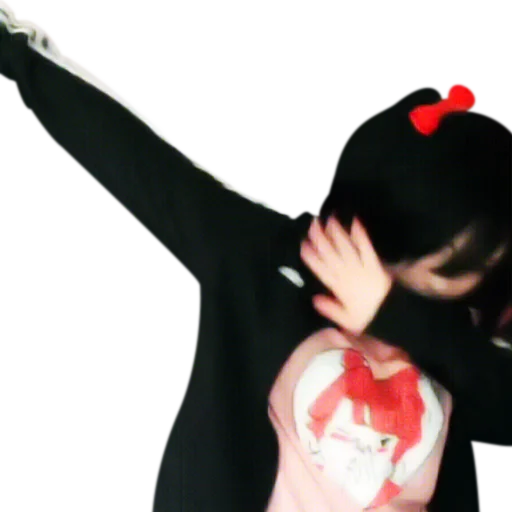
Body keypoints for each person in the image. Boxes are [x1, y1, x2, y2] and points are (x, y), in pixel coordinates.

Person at [0, 9, 511, 511]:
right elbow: (135, 160)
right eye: (465, 258)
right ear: (400, 232)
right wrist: (12, 51)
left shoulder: (464, 345)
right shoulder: (265, 265)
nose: (481, 274)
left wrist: (396, 315)